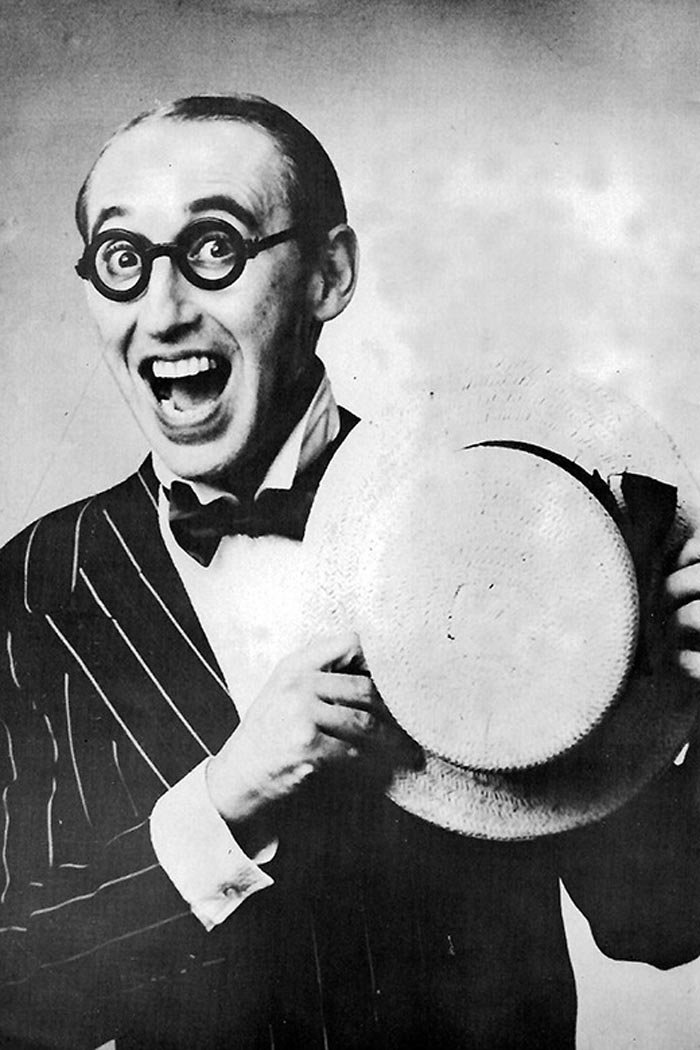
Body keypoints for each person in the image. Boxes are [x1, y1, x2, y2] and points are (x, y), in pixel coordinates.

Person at [1, 93, 700, 1050]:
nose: (162, 313)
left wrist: (679, 688)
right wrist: (225, 801)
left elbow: (656, 917)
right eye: (123, 260)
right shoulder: (34, 587)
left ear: (329, 274)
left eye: (214, 247)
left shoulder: (508, 519)